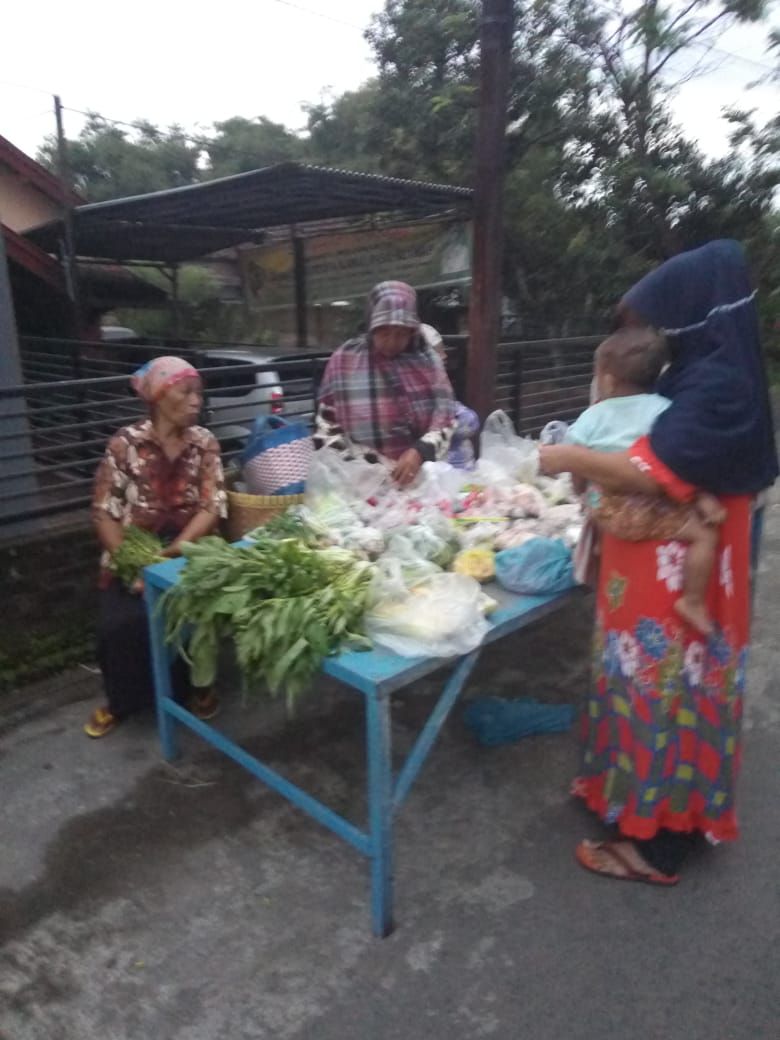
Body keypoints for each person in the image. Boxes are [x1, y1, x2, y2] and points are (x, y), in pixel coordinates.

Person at [539, 240, 778, 885]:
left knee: (665, 688)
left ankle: (657, 845)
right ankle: (625, 799)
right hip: (646, 574)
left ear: (695, 311)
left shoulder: (720, 386)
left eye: (658, 319)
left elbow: (653, 470)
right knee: (637, 683)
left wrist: (566, 458)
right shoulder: (698, 373)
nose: (654, 334)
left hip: (675, 583)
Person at [85, 356, 227, 738]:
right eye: (186, 391)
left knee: (198, 613)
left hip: (188, 547)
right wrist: (134, 565)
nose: (197, 400)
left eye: (199, 392)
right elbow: (103, 513)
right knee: (120, 625)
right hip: (132, 548)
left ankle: (197, 687)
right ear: (161, 396)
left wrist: (176, 551)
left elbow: (212, 506)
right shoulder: (125, 444)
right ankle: (120, 701)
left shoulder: (205, 444)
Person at [565, 325, 726, 636]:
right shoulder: (668, 411)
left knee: (595, 498)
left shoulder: (592, 416)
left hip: (606, 512)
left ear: (608, 380)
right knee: (705, 536)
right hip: (650, 512)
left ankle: (596, 551)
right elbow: (681, 461)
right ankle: (692, 601)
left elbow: (577, 462)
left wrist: (581, 491)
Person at [312, 281, 456, 486]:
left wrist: (420, 451)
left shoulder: (428, 362)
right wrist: (359, 467)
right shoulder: (345, 360)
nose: (391, 341)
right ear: (372, 326)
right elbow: (328, 425)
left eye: (400, 334)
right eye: (384, 332)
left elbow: (446, 419)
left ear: (412, 331)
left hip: (418, 479)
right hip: (360, 481)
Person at [420, 323, 480, 469]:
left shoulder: (440, 387)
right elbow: (469, 422)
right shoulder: (423, 395)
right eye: (439, 351)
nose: (445, 356)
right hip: (444, 475)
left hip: (459, 477)